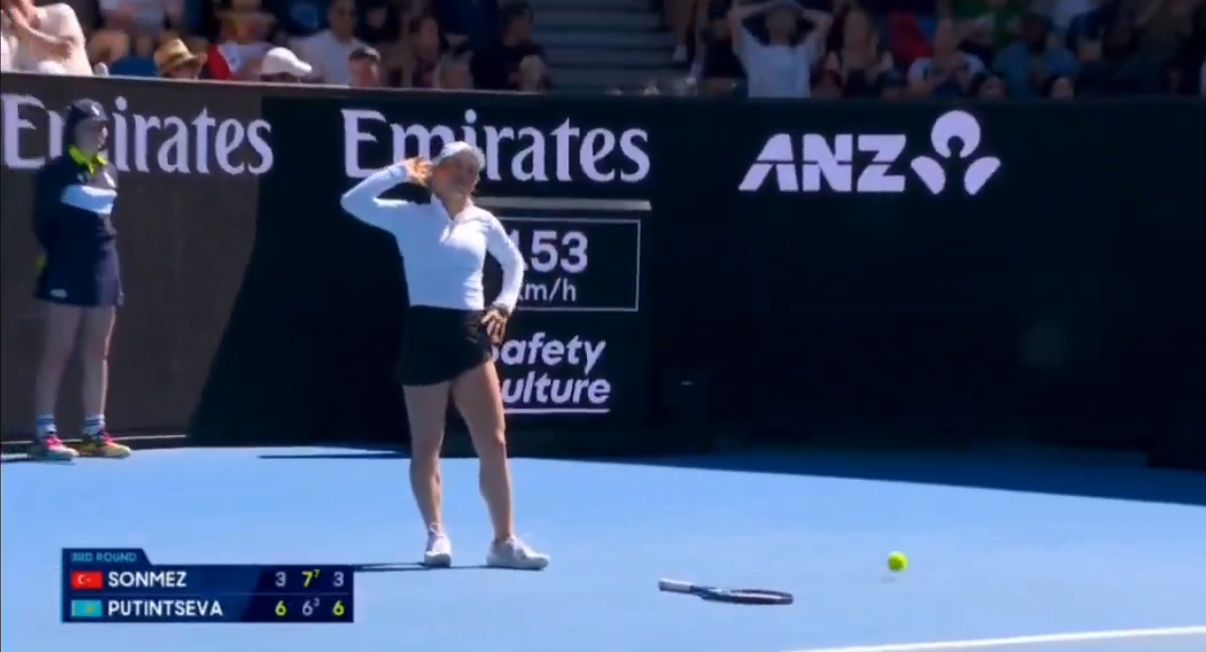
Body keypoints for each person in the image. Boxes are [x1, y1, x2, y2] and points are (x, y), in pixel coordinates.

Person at [339, 142, 548, 571]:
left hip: (469, 335)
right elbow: (352, 202)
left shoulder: (484, 222)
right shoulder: (408, 216)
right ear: (435, 172)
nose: (467, 175)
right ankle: (436, 535)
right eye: (458, 167)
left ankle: (504, 542)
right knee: (426, 446)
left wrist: (504, 304)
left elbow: (514, 264)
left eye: (473, 170)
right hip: (425, 334)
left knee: (494, 442)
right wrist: (400, 171)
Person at [29, 100, 132, 461]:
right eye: (93, 126)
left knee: (97, 350)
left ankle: (94, 433)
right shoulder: (55, 172)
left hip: (104, 265)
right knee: (57, 349)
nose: (101, 133)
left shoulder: (110, 171)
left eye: (104, 127)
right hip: (66, 265)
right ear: (74, 131)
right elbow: (42, 224)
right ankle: (45, 434)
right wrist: (64, 252)